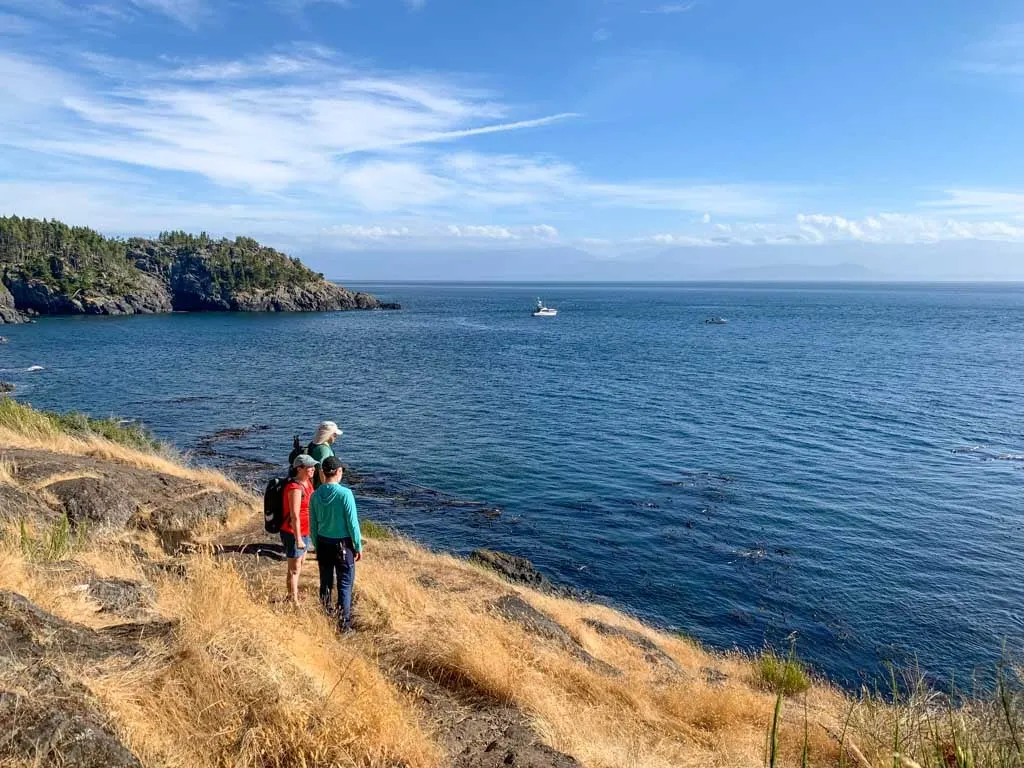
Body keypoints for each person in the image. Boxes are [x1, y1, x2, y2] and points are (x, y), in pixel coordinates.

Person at [309, 456, 362, 630]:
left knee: (325, 582)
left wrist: (317, 545)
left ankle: (325, 615)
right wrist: (358, 546)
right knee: (345, 584)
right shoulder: (345, 494)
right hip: (343, 545)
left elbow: (313, 525)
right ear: (338, 472)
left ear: (323, 473)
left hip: (323, 543)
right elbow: (352, 524)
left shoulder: (315, 495)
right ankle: (344, 625)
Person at [280, 453, 317, 605]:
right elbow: (295, 515)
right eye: (310, 467)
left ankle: (293, 594)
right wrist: (298, 539)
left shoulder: (308, 483)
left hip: (305, 530)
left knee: (300, 563)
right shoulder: (294, 488)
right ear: (299, 468)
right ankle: (292, 600)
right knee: (294, 568)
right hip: (293, 532)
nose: (313, 469)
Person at [307, 420, 343, 489]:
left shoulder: (313, 444)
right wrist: (326, 488)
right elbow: (321, 469)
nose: (336, 436)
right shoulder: (324, 449)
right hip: (320, 486)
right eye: (334, 434)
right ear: (328, 434)